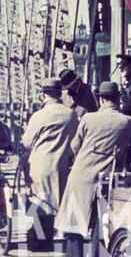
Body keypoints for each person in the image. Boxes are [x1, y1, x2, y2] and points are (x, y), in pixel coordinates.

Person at [55, 81, 131, 256]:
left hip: (81, 178)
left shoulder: (89, 119)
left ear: (102, 100)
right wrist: (124, 159)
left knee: (74, 227)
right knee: (103, 224)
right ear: (117, 99)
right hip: (108, 180)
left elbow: (74, 147)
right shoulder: (127, 122)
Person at [21, 78, 78, 217]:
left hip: (40, 169)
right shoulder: (71, 114)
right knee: (59, 209)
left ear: (44, 95)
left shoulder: (39, 115)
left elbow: (26, 143)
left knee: (40, 213)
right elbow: (77, 141)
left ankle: (41, 236)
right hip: (62, 168)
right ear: (60, 94)